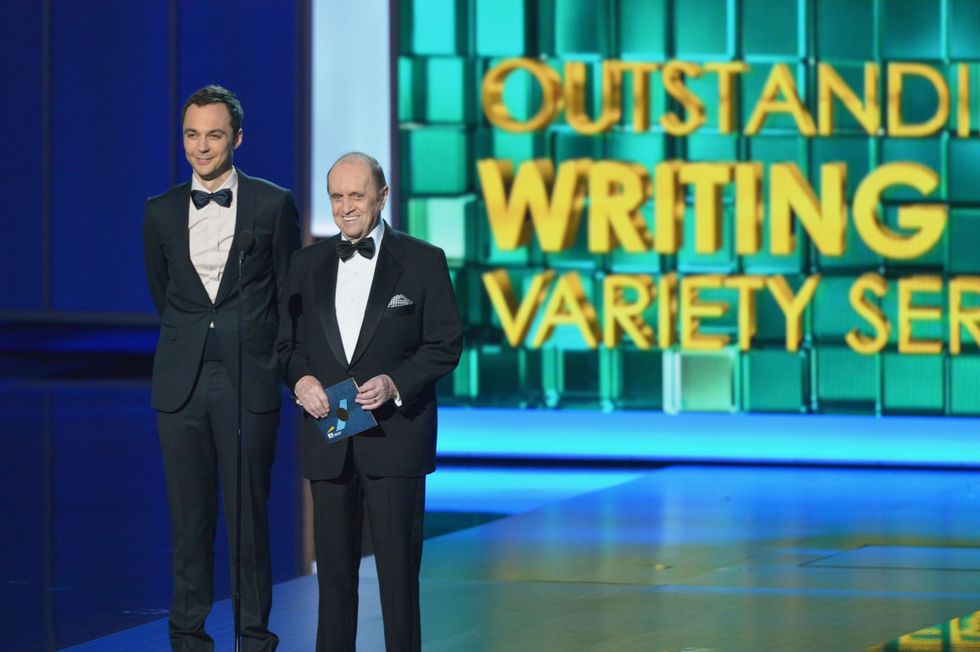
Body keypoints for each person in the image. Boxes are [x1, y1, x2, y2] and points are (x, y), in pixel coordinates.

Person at [277, 152, 463, 651]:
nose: (345, 207)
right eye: (336, 197)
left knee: (398, 580)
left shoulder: (422, 261)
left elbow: (444, 344)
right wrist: (301, 381)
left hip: (395, 438)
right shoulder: (306, 264)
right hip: (331, 434)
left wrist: (395, 384)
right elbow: (286, 346)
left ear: (382, 197)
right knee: (333, 580)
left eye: (356, 196)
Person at [142, 84, 301, 651]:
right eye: (192, 134)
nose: (201, 146)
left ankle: (253, 634)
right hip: (180, 381)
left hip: (247, 377)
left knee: (248, 517)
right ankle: (186, 632)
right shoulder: (160, 211)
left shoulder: (272, 204)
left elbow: (288, 297)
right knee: (188, 519)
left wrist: (273, 361)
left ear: (237, 138)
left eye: (213, 135)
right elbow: (165, 294)